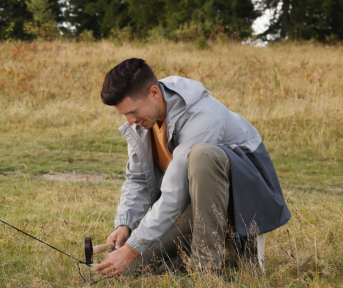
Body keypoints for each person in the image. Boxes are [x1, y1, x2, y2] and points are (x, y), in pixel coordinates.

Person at [94, 58, 291, 277]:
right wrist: (125, 225)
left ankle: (210, 270)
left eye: (132, 111)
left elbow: (175, 193)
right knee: (128, 270)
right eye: (124, 115)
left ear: (153, 92)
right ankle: (226, 257)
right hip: (193, 206)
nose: (130, 121)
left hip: (241, 207)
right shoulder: (144, 121)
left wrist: (132, 248)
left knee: (201, 156)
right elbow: (138, 179)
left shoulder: (203, 116)